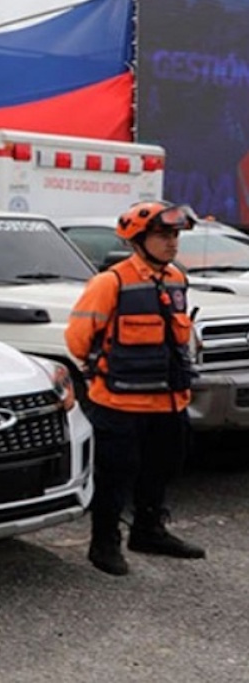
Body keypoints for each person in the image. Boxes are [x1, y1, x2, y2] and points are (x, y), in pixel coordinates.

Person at [66, 200, 208, 576]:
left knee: (162, 468)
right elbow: (78, 339)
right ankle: (104, 543)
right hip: (119, 403)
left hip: (168, 401)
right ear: (137, 240)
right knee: (113, 475)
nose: (172, 243)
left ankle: (148, 531)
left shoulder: (177, 279)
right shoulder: (109, 283)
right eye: (163, 235)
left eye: (175, 235)